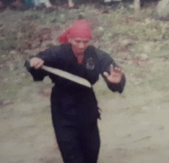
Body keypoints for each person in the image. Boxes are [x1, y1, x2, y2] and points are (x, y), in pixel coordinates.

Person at [27, 19, 126, 163]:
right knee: (72, 155)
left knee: (91, 151)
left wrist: (116, 82)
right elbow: (38, 65)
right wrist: (35, 63)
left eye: (85, 42)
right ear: (69, 39)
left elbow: (113, 72)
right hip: (63, 109)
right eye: (77, 41)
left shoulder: (97, 55)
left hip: (88, 108)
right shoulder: (57, 53)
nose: (81, 46)